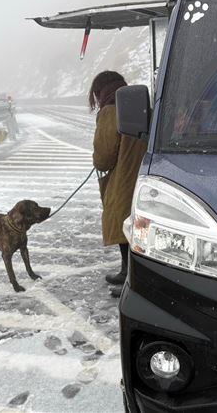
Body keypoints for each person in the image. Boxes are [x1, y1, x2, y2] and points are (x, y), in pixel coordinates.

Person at [90, 71, 148, 297]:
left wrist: (97, 160)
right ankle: (131, 272)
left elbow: (104, 155)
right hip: (144, 173)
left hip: (123, 177)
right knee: (140, 225)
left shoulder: (109, 112)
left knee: (123, 222)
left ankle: (130, 275)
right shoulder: (143, 108)